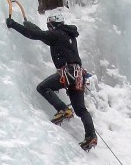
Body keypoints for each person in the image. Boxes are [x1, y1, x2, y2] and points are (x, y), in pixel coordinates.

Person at [6, 11, 97, 151]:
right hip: (78, 75)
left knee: (43, 87)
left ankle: (63, 109)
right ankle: (91, 136)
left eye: (49, 26)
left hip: (67, 72)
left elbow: (37, 36)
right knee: (80, 109)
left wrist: (14, 25)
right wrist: (32, 26)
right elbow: (44, 36)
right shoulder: (68, 35)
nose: (48, 28)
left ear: (53, 25)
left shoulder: (57, 34)